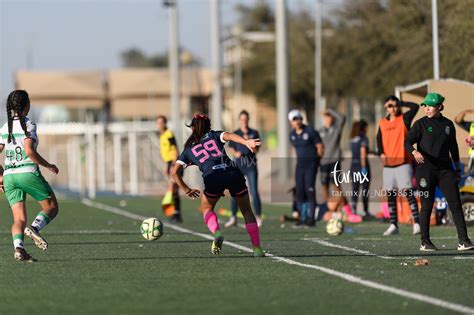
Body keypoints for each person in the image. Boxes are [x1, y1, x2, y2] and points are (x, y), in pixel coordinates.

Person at [171, 114, 264, 257]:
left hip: (213, 177)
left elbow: (174, 172)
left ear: (193, 127)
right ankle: (257, 249)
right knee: (247, 211)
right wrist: (246, 142)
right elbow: (229, 136)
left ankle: (217, 232)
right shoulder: (214, 135)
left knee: (207, 208)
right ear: (208, 126)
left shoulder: (188, 149)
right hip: (233, 172)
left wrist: (186, 189)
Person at [405, 92, 474, 251]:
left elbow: (453, 148)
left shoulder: (448, 125)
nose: (427, 108)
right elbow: (407, 142)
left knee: (456, 204)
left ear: (439, 107)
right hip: (425, 172)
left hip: (445, 171)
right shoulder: (420, 124)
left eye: (430, 105)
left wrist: (457, 168)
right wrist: (414, 152)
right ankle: (425, 242)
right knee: (427, 206)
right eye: (425, 105)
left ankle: (464, 241)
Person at [0, 90, 59, 262]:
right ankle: (34, 228)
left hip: (10, 176)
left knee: (18, 219)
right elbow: (29, 151)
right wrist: (48, 165)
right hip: (27, 173)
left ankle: (19, 249)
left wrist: (0, 176)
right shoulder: (29, 124)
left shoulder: (5, 128)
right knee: (52, 207)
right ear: (26, 106)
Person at [377, 95, 420, 236]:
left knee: (408, 192)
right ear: (385, 108)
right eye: (390, 106)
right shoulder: (382, 122)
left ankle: (417, 223)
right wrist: (381, 153)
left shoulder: (404, 119)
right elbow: (379, 139)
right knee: (390, 195)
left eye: (395, 105)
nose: (393, 108)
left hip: (403, 162)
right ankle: (393, 224)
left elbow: (415, 106)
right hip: (389, 165)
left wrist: (400, 102)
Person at [318, 109, 358, 221]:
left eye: (329, 117)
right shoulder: (320, 131)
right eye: (326, 117)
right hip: (323, 163)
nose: (328, 119)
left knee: (337, 188)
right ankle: (328, 211)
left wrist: (330, 110)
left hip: (334, 162)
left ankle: (348, 210)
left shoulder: (336, 128)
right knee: (324, 188)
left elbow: (343, 118)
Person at [225, 110, 262, 227]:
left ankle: (258, 216)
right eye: (242, 119)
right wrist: (235, 153)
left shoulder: (254, 133)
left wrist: (251, 145)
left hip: (251, 165)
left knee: (254, 191)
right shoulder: (236, 133)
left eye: (245, 119)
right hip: (239, 166)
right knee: (235, 191)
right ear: (239, 120)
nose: (244, 121)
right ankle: (233, 217)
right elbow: (230, 147)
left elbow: (257, 149)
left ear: (248, 120)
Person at [288, 109, 324, 226]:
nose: (297, 121)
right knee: (299, 191)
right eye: (294, 119)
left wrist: (317, 160)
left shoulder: (310, 131)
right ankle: (302, 217)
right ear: (291, 122)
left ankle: (311, 218)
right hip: (300, 166)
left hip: (311, 165)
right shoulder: (292, 135)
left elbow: (320, 146)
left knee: (310, 190)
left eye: (298, 118)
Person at [156, 115, 182, 223]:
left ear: (165, 123)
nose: (159, 125)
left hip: (174, 162)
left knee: (172, 187)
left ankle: (173, 211)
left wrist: (173, 165)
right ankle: (176, 213)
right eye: (158, 123)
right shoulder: (161, 135)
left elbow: (175, 149)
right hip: (169, 163)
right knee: (174, 189)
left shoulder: (169, 134)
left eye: (161, 122)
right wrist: (167, 166)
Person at [350, 120, 371, 217]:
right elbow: (363, 153)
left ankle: (353, 210)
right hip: (362, 166)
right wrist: (364, 167)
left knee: (355, 188)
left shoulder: (353, 138)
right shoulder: (363, 138)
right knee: (365, 189)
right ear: (364, 128)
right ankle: (365, 211)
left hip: (353, 166)